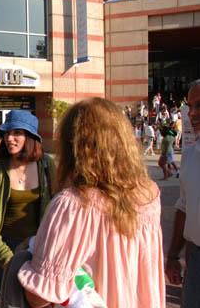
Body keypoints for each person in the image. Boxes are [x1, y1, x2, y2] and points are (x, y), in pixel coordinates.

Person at [17, 98, 165, 308]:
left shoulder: (74, 204)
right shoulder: (150, 194)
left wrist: (28, 259)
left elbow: (40, 296)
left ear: (73, 148)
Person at [0, 110, 56, 301]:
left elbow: (58, 205)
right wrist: (1, 252)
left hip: (39, 246)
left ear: (30, 137)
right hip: (6, 245)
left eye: (16, 133)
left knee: (38, 300)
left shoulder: (46, 165)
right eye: (7, 133)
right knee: (8, 299)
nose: (9, 138)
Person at [166, 81, 200, 308]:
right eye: (190, 106)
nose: (193, 113)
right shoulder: (189, 154)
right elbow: (184, 207)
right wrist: (172, 257)